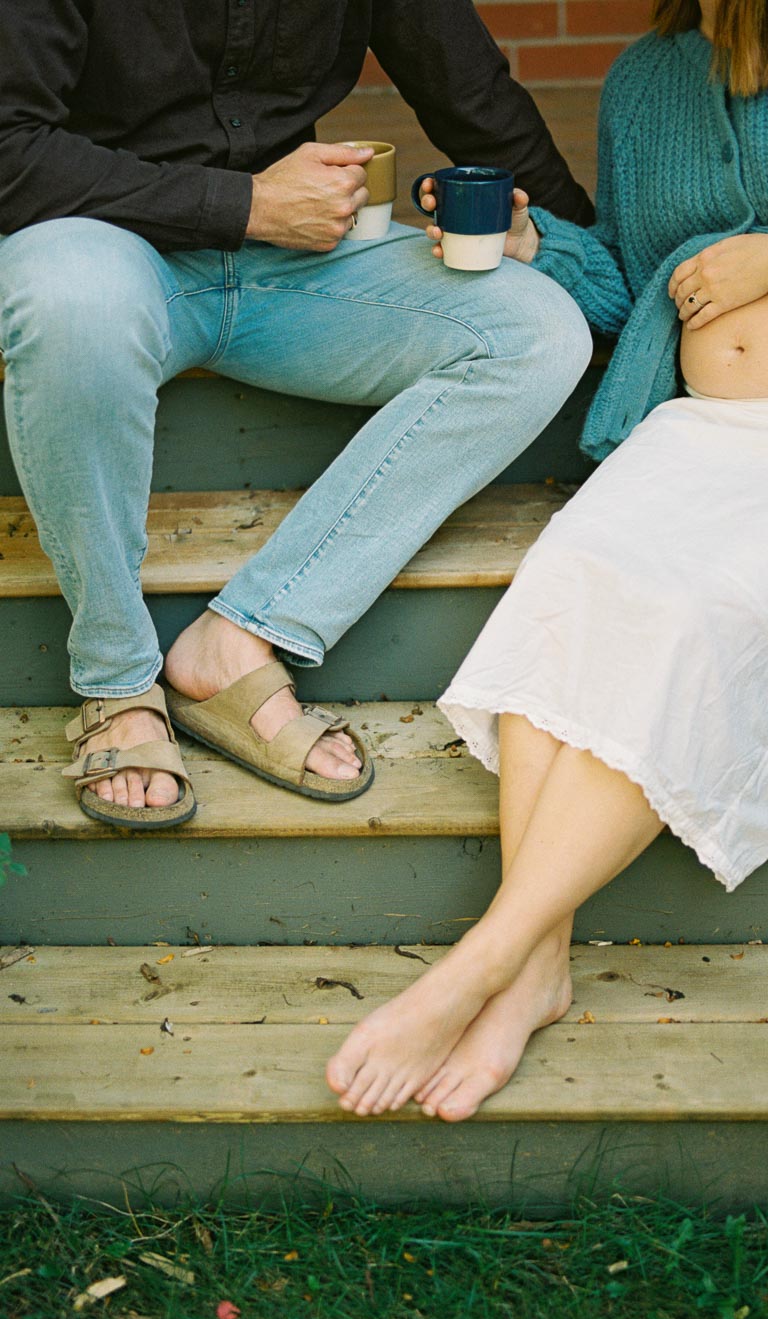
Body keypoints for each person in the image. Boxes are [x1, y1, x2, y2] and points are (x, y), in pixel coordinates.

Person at [326, 0, 768, 1121]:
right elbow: (638, 289)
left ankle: (480, 961)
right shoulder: (644, 82)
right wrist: (536, 245)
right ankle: (536, 965)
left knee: (698, 610)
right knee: (572, 583)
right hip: (695, 434)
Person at [0, 1, 594, 828]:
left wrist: (588, 258)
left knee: (538, 331)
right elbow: (8, 149)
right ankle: (118, 683)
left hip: (294, 262)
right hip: (105, 245)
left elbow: (473, 93)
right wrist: (241, 202)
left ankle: (241, 638)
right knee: (67, 303)